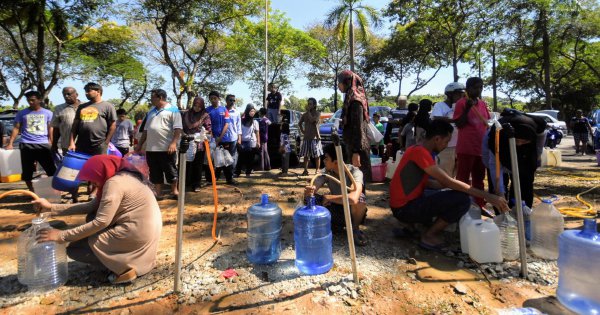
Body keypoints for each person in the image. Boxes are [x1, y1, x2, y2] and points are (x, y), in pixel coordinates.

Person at [33, 155, 162, 284]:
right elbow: (90, 206)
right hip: (145, 232)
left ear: (101, 172)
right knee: (91, 217)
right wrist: (51, 207)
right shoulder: (124, 177)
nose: (93, 184)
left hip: (136, 234)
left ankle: (123, 268)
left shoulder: (114, 184)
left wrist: (62, 235)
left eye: (93, 179)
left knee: (75, 250)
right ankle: (133, 262)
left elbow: (101, 222)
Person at [389, 120, 509, 250]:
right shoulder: (420, 153)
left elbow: (429, 183)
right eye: (446, 141)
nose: (446, 145)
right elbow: (449, 182)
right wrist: (488, 196)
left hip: (401, 206)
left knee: (449, 194)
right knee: (462, 200)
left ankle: (412, 226)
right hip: (405, 209)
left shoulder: (414, 148)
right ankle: (429, 235)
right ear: (437, 138)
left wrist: (448, 186)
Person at [304, 143, 368, 246]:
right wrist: (309, 191)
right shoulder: (326, 171)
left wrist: (329, 197)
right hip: (335, 207)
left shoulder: (355, 172)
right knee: (310, 199)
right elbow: (314, 187)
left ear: (336, 162)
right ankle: (331, 225)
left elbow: (353, 199)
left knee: (360, 200)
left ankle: (354, 229)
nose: (324, 161)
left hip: (351, 211)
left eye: (326, 158)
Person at [484, 109, 547, 208]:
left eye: (523, 141)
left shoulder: (538, 129)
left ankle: (520, 210)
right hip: (503, 145)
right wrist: (500, 192)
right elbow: (494, 166)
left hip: (524, 153)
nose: (519, 144)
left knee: (524, 183)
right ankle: (501, 212)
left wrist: (537, 157)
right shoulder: (496, 137)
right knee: (498, 186)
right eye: (517, 141)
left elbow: (538, 148)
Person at [135, 89, 182, 200]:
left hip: (167, 148)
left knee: (170, 170)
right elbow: (146, 131)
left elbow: (178, 129)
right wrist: (140, 144)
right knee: (155, 172)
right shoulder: (150, 112)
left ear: (160, 98)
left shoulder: (173, 110)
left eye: (153, 98)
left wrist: (173, 143)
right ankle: (158, 193)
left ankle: (175, 191)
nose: (151, 100)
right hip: (151, 148)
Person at [6, 91, 56, 192]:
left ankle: (54, 190)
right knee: (27, 171)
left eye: (33, 100)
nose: (30, 102)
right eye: (29, 100)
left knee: (51, 170)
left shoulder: (48, 113)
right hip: (26, 144)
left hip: (43, 145)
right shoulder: (22, 113)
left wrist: (51, 142)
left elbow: (50, 128)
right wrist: (10, 143)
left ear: (39, 100)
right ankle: (32, 191)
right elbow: (16, 128)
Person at [453, 77, 490, 208]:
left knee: (479, 180)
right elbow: (459, 124)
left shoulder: (483, 104)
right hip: (466, 148)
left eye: (481, 87)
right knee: (462, 179)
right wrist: (467, 109)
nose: (478, 90)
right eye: (475, 87)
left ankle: (479, 206)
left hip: (481, 148)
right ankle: (459, 206)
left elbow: (488, 122)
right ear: (468, 89)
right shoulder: (461, 103)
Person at [337, 70, 372, 182]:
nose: (338, 85)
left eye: (339, 82)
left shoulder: (355, 101)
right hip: (353, 147)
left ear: (346, 82)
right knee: (353, 186)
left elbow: (358, 127)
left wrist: (356, 152)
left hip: (357, 150)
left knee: (357, 185)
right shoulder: (351, 98)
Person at [69, 82, 117, 156]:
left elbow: (113, 125)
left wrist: (106, 142)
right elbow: (74, 126)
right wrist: (72, 143)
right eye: (85, 91)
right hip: (81, 144)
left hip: (99, 145)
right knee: (81, 166)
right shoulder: (82, 107)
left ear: (98, 91)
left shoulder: (108, 106)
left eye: (88, 91)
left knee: (97, 166)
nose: (86, 93)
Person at [431, 82, 465, 178]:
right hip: (446, 146)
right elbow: (436, 118)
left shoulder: (463, 106)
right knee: (445, 172)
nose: (461, 96)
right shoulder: (440, 105)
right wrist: (454, 120)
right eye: (458, 94)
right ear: (449, 94)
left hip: (460, 145)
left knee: (459, 173)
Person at [206, 91, 236, 185]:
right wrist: (213, 138)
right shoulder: (207, 110)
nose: (213, 100)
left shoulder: (224, 110)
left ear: (218, 98)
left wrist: (220, 137)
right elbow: (206, 125)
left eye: (215, 98)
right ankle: (213, 179)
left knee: (226, 159)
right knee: (213, 159)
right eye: (211, 98)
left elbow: (227, 124)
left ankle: (229, 179)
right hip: (212, 140)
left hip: (224, 139)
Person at [182, 96, 212, 191]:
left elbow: (209, 130)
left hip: (199, 143)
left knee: (197, 164)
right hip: (186, 142)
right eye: (195, 106)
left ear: (202, 106)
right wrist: (184, 134)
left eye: (199, 106)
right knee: (186, 163)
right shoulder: (186, 114)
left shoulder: (205, 115)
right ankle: (185, 182)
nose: (197, 108)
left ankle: (196, 184)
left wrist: (201, 133)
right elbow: (180, 126)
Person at [51, 87, 80, 158]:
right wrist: (54, 144)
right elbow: (56, 128)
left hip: (85, 145)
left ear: (76, 95)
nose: (66, 96)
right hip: (67, 146)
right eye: (64, 95)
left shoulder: (86, 106)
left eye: (68, 94)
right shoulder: (59, 108)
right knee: (70, 167)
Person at [299, 97, 323, 176]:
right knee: (306, 155)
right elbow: (300, 123)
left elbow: (313, 120)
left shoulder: (317, 113)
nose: (308, 105)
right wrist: (303, 131)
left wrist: (308, 112)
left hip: (315, 138)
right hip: (306, 137)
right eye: (308, 103)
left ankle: (317, 170)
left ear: (314, 105)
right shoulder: (304, 114)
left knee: (316, 155)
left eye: (310, 104)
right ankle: (305, 170)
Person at [235, 104, 260, 177]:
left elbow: (257, 133)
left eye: (253, 111)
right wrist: (238, 140)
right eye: (251, 111)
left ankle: (248, 172)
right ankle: (237, 172)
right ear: (247, 111)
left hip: (251, 142)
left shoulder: (255, 122)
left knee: (250, 158)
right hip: (242, 141)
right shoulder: (241, 121)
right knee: (241, 158)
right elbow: (238, 131)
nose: (252, 113)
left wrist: (258, 142)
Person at [225, 94, 242, 171]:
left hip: (233, 138)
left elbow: (239, 126)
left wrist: (239, 138)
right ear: (226, 101)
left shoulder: (237, 112)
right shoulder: (222, 110)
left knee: (232, 156)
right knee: (223, 155)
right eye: (230, 100)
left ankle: (231, 173)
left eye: (233, 100)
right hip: (223, 138)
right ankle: (221, 174)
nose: (232, 102)